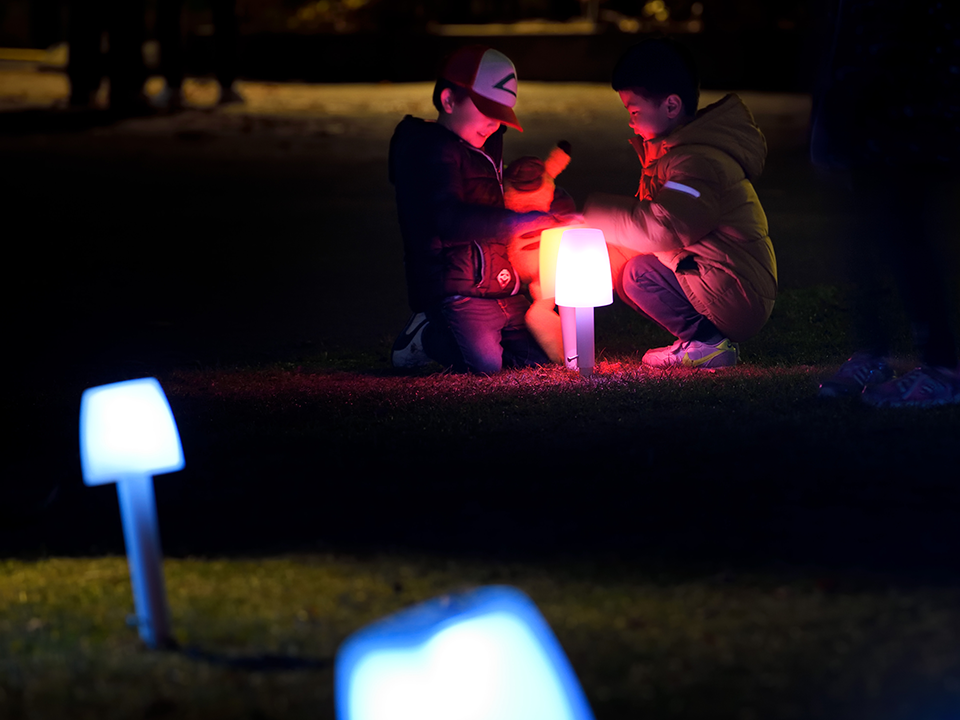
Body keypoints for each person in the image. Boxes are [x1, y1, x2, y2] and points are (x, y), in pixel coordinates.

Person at [583, 38, 777, 369]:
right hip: (724, 279)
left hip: (739, 292)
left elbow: (665, 226)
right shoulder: (676, 155)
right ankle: (704, 338)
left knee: (636, 274)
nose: (630, 122)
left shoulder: (697, 162)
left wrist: (589, 214)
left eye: (634, 111)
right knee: (620, 260)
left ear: (671, 106)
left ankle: (708, 344)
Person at [388, 45, 571, 374]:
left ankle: (466, 333)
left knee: (538, 361)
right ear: (448, 100)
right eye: (487, 111)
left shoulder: (483, 141)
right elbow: (447, 219)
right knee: (487, 365)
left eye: (501, 115)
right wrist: (516, 222)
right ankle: (427, 334)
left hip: (500, 282)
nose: (493, 124)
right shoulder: (427, 150)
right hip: (453, 287)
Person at [812, 0, 960, 407]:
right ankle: (875, 353)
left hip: (911, 101)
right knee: (867, 236)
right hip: (868, 105)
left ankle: (942, 367)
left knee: (905, 232)